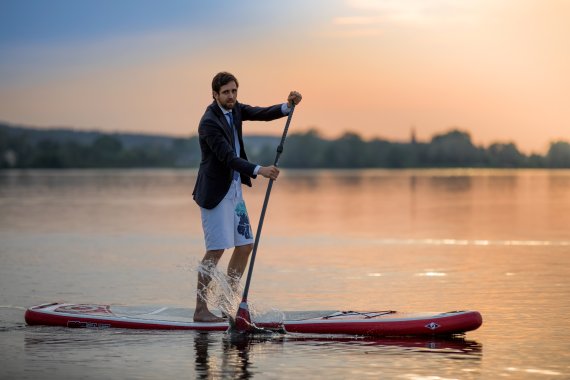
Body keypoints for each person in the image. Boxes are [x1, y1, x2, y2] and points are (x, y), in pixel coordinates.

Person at [192, 72, 302, 322]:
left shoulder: (237, 109)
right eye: (226, 92)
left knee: (245, 246)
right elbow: (228, 158)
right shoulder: (208, 122)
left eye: (234, 91)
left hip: (234, 192)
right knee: (216, 250)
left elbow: (261, 113)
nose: (231, 96)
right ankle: (200, 310)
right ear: (215, 94)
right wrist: (259, 170)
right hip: (214, 195)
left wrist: (288, 106)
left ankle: (228, 304)